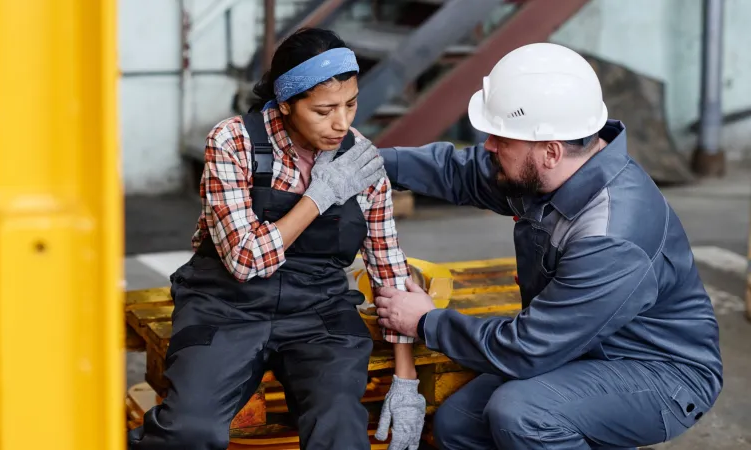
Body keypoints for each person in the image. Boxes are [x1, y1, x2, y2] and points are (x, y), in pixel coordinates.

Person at [373, 42, 723, 449]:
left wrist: (425, 321)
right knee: (459, 425)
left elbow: (527, 349)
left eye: (501, 140)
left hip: (660, 372)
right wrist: (373, 162)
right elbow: (460, 172)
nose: (488, 146)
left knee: (522, 414)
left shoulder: (611, 237)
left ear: (551, 151)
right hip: (582, 345)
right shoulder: (548, 170)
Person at [128, 28, 426, 450]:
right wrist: (319, 196)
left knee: (340, 428)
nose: (341, 123)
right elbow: (245, 261)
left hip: (318, 312)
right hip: (225, 307)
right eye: (324, 111)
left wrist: (405, 379)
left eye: (351, 104)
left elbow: (387, 264)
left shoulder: (359, 160)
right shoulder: (234, 142)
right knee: (190, 431)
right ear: (286, 104)